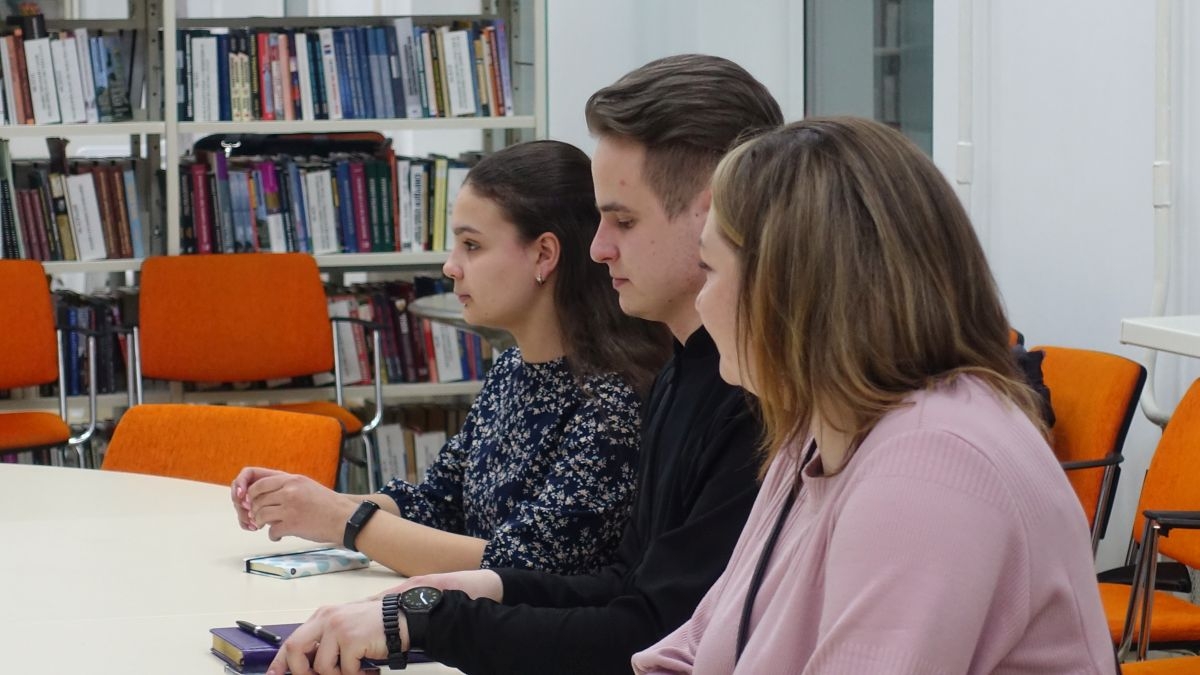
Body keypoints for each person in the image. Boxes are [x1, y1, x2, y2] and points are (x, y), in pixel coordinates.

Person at [265, 54, 784, 675]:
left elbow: (650, 628)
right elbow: (627, 586)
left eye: (623, 219)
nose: (599, 248)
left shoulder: (738, 398)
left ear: (711, 214)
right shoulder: (680, 373)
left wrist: (422, 603)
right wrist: (461, 595)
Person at [633, 117, 1115, 673]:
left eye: (709, 268)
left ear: (786, 291)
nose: (701, 300)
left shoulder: (932, 465)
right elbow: (703, 643)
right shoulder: (820, 430)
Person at [232, 140, 672, 578]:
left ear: (544, 254)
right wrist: (306, 501)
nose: (450, 266)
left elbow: (524, 567)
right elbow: (439, 504)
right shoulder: (511, 370)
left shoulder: (612, 402)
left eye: (472, 245)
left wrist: (343, 520)